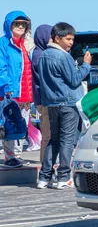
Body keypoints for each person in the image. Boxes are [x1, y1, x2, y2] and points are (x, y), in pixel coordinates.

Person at [37, 22, 92, 189]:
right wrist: (86, 64)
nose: (71, 42)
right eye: (68, 39)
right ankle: (63, 176)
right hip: (68, 103)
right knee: (67, 140)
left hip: (52, 103)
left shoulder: (43, 56)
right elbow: (75, 80)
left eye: (72, 39)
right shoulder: (64, 57)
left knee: (53, 140)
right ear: (56, 38)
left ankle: (44, 177)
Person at [0, 11, 34, 168]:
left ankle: (18, 155)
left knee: (22, 125)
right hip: (10, 93)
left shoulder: (28, 44)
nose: (20, 26)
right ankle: (10, 157)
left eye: (23, 24)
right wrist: (7, 87)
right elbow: (2, 68)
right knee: (10, 124)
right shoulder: (3, 44)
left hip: (27, 94)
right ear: (9, 25)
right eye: (16, 23)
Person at [31, 24, 52, 162]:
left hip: (42, 100)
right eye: (50, 36)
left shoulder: (39, 53)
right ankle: (46, 169)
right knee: (48, 136)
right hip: (45, 100)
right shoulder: (41, 56)